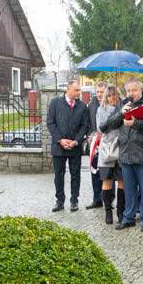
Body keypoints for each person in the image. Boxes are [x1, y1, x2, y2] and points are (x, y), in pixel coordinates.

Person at [104, 78, 143, 231]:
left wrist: (134, 122)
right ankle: (128, 218)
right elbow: (110, 124)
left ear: (141, 89)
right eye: (128, 91)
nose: (131, 94)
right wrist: (120, 114)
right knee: (128, 189)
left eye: (134, 90)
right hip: (126, 154)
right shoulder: (123, 104)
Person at [46, 80, 89, 212]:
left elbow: (84, 126)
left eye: (79, 90)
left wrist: (76, 141)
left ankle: (74, 201)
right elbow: (50, 123)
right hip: (59, 147)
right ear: (68, 90)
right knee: (59, 175)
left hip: (75, 147)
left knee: (75, 174)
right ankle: (59, 201)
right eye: (76, 90)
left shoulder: (82, 106)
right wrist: (60, 140)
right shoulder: (55, 103)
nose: (79, 92)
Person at [96, 85, 125, 224]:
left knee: (122, 181)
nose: (112, 97)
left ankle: (121, 212)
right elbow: (101, 127)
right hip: (107, 149)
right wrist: (117, 115)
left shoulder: (124, 107)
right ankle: (108, 211)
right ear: (105, 97)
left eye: (115, 94)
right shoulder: (101, 110)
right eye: (109, 95)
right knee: (106, 180)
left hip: (122, 149)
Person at [86, 81, 107, 210]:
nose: (99, 94)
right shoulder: (91, 104)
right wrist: (89, 136)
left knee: (107, 173)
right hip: (94, 143)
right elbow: (88, 123)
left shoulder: (110, 103)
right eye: (97, 92)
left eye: (101, 92)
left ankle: (108, 200)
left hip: (107, 143)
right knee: (95, 172)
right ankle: (96, 199)